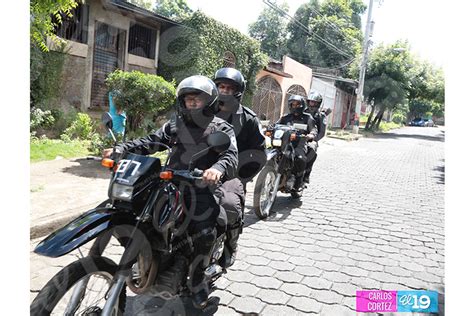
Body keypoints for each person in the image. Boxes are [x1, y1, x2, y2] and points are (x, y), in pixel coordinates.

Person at [103, 75, 238, 309]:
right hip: (168, 184)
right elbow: (150, 142)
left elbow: (230, 155)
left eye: (197, 100)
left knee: (204, 230)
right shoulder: (174, 125)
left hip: (200, 187)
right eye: (188, 100)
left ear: (209, 102)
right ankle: (145, 259)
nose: (192, 104)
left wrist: (216, 169)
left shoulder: (220, 127)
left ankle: (197, 280)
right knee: (130, 213)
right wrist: (121, 149)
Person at [213, 67, 266, 268]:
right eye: (221, 86)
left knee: (229, 205)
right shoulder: (203, 110)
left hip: (231, 174)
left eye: (229, 87)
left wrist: (240, 178)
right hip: (200, 169)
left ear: (238, 91)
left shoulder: (249, 119)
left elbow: (259, 153)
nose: (224, 91)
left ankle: (230, 246)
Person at [275, 95, 317, 191]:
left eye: (297, 104)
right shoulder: (285, 117)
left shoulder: (307, 118)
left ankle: (298, 182)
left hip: (299, 143)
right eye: (292, 104)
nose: (295, 106)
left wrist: (311, 135)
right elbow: (276, 125)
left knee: (300, 158)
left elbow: (313, 130)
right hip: (284, 142)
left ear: (302, 105)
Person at [303, 91, 330, 184]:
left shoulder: (321, 116)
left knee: (312, 149)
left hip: (311, 138)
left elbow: (322, 132)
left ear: (318, 103)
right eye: (310, 101)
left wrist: (312, 139)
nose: (312, 104)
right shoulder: (303, 112)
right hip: (299, 137)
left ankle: (306, 174)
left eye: (314, 102)